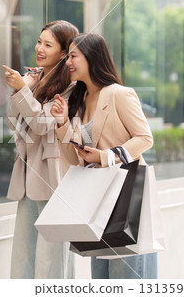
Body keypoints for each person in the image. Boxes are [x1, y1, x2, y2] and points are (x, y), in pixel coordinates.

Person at [50, 33, 157, 279]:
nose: (68, 62)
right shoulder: (79, 99)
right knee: (101, 278)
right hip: (96, 202)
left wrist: (106, 157)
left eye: (73, 56)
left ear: (92, 58)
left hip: (123, 197)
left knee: (126, 275)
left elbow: (145, 138)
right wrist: (63, 123)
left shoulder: (119, 94)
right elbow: (73, 158)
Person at [2, 20, 79, 279]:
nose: (40, 48)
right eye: (39, 41)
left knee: (50, 259)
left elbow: (44, 123)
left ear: (64, 52)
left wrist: (22, 89)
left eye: (48, 44)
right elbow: (14, 121)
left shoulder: (71, 87)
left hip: (53, 177)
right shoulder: (37, 79)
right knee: (23, 254)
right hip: (28, 177)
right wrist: (23, 87)